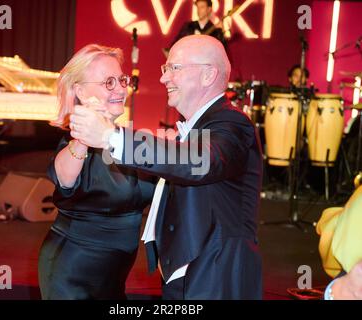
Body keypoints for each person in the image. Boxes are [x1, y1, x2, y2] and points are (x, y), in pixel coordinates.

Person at [69, 35, 263, 299]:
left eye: (174, 68)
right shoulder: (191, 129)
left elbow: (198, 161)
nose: (163, 78)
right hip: (188, 276)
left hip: (217, 277)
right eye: (165, 68)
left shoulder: (232, 123)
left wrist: (111, 137)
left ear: (208, 75)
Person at [38, 44, 155, 300]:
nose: (121, 89)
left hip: (113, 280)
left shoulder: (126, 143)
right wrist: (83, 132)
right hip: (71, 275)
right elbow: (65, 179)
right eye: (108, 82)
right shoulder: (74, 146)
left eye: (122, 80)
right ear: (80, 90)